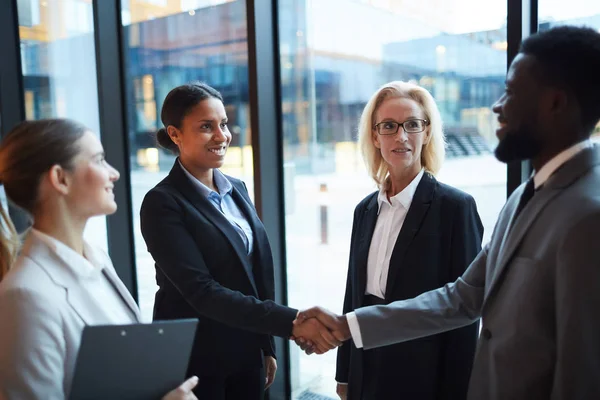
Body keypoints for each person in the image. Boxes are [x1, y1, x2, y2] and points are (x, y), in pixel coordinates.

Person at [296, 25, 600, 400]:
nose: (497, 106)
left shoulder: (590, 214)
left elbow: (582, 372)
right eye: (388, 127)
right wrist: (346, 327)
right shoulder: (524, 197)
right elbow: (460, 298)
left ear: (555, 103)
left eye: (512, 92)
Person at [139, 82, 339, 400]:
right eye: (206, 127)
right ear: (175, 134)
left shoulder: (237, 188)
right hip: (196, 359)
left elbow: (255, 271)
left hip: (245, 350)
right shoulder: (162, 203)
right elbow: (201, 291)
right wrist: (292, 323)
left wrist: (265, 344)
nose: (222, 136)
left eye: (224, 123)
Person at [0, 119, 198, 399]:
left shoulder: (97, 259)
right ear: (60, 179)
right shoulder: (24, 295)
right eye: (99, 160)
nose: (114, 173)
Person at [331, 81, 483, 400]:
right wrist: (344, 373)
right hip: (365, 367)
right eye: (388, 126)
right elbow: (352, 296)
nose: (401, 136)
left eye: (412, 125)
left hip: (423, 376)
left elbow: (466, 314)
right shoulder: (365, 210)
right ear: (374, 136)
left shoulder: (456, 208)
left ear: (426, 133)